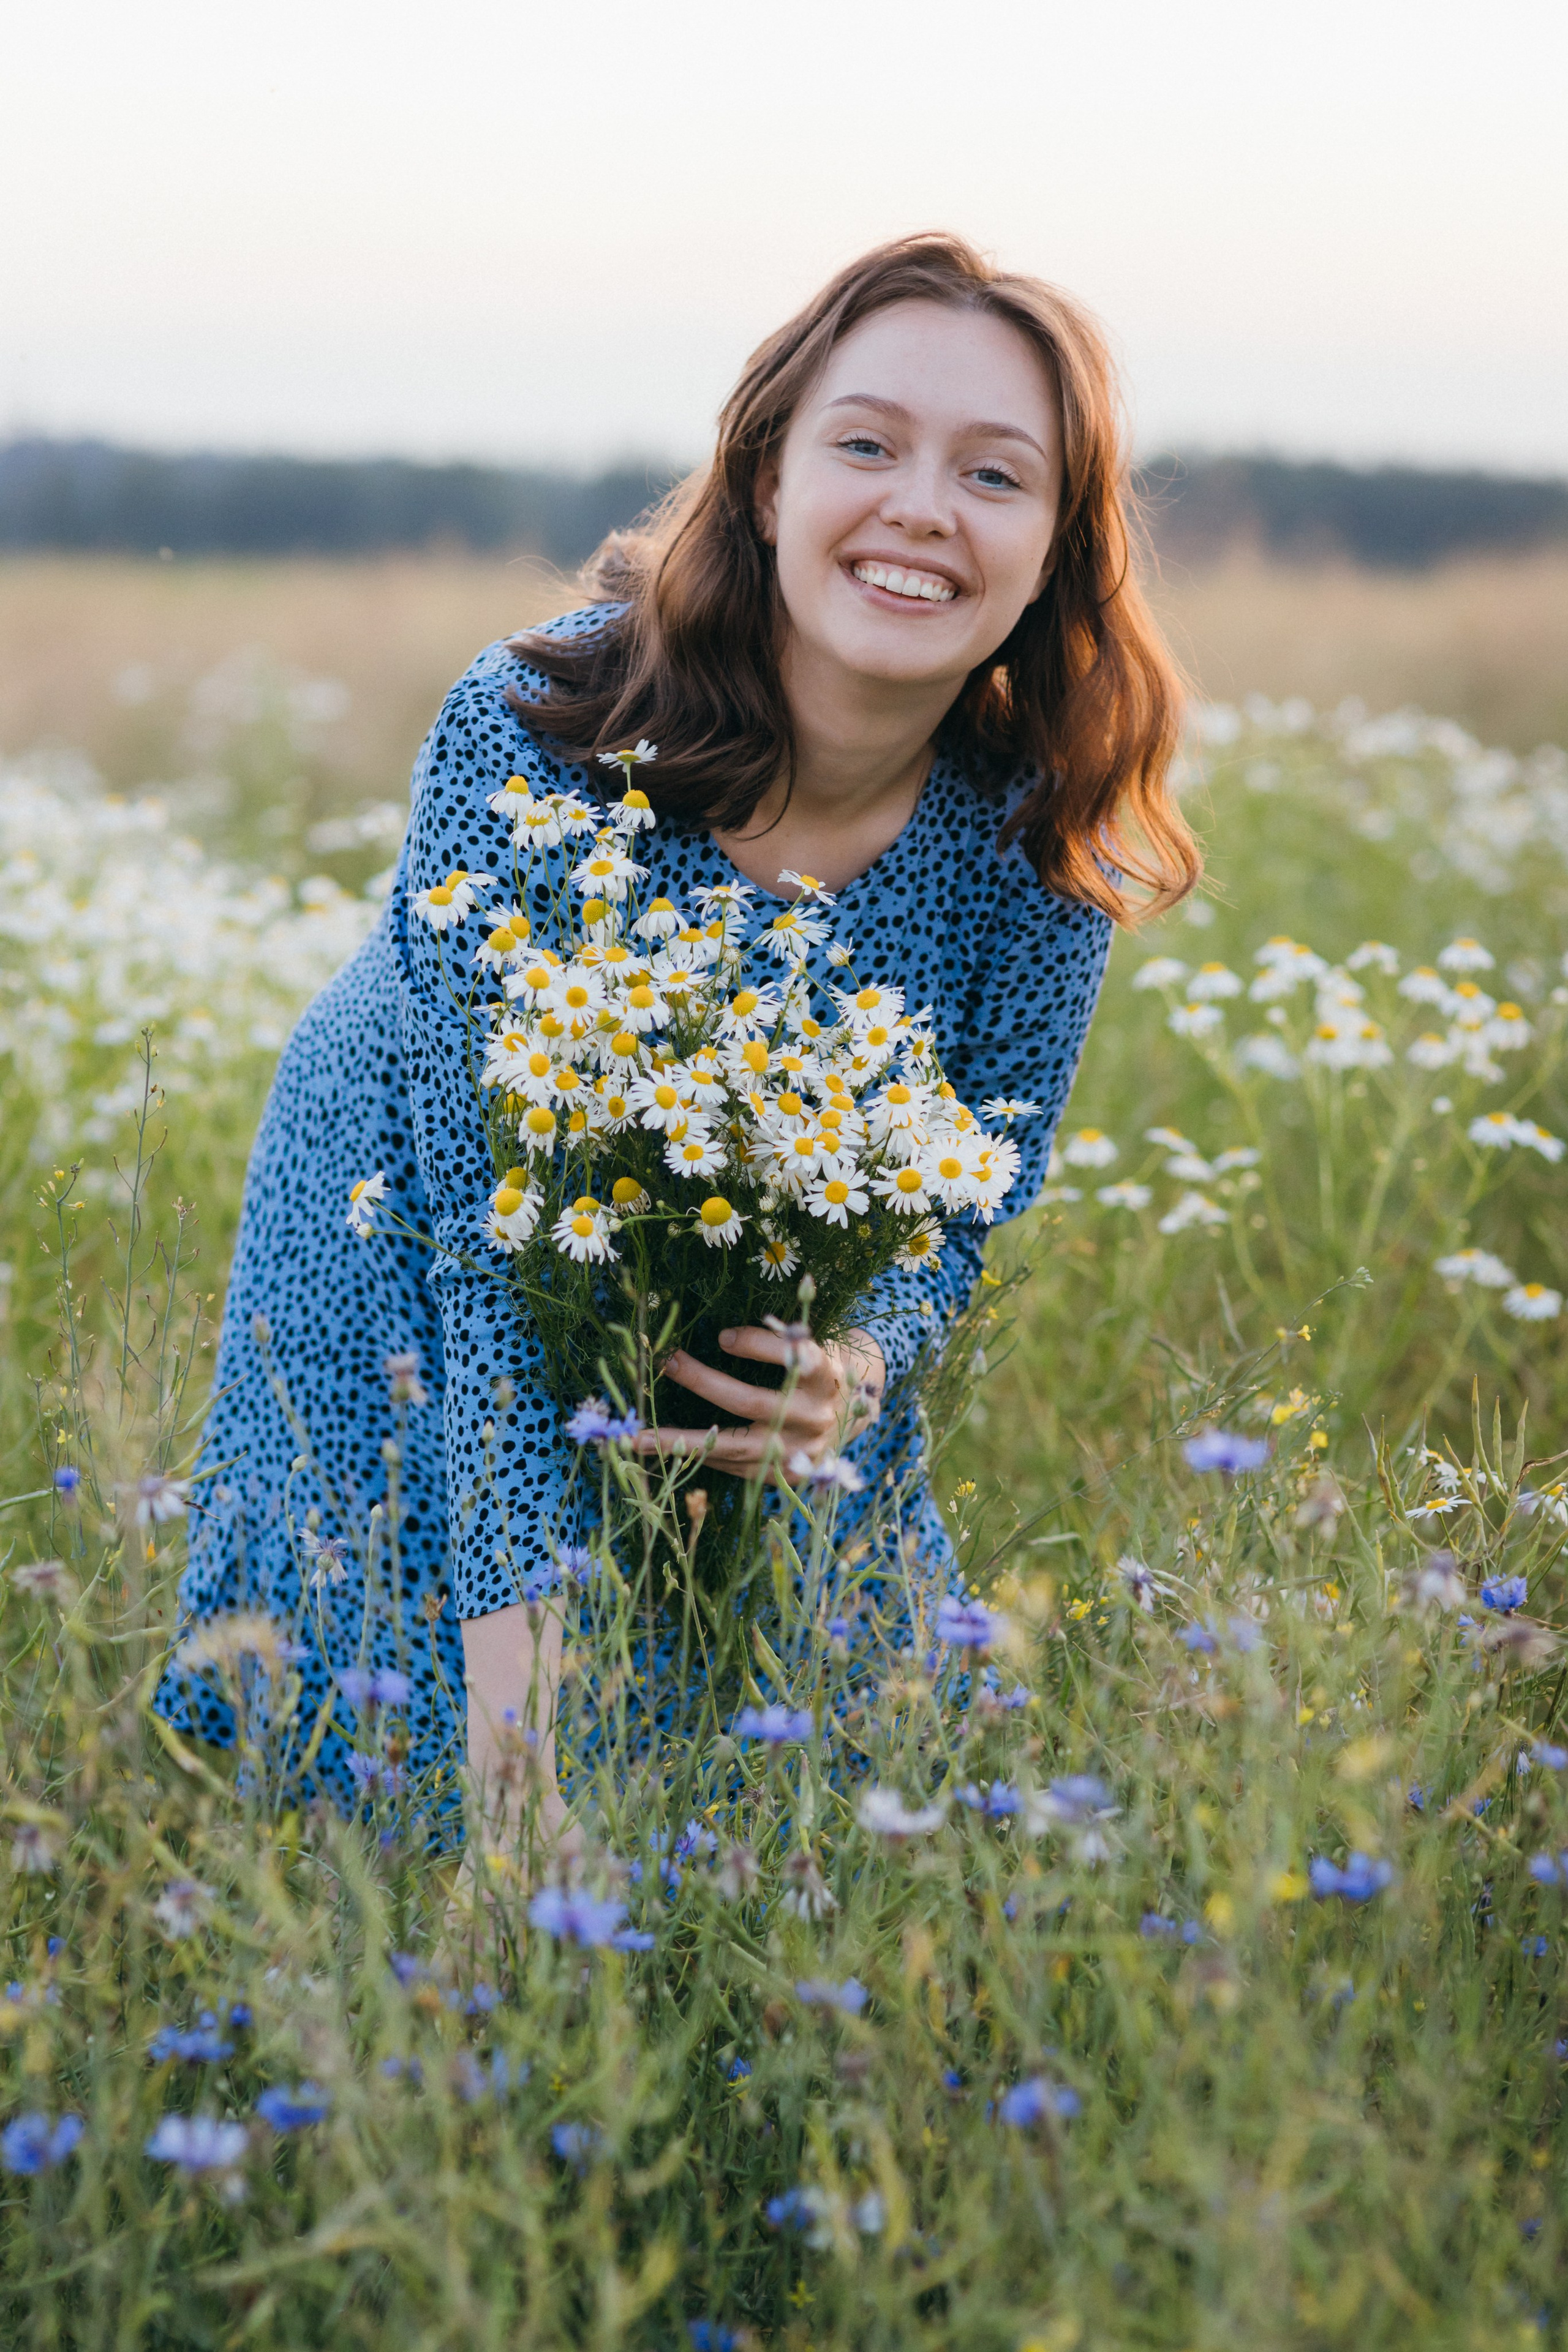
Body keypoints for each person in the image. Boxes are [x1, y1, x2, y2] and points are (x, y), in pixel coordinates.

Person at [154, 231, 1198, 1849]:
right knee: (409, 1754)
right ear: (770, 483)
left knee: (844, 1786)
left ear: (1055, 550)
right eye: (868, 444)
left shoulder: (1040, 858)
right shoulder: (536, 735)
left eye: (995, 474)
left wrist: (855, 1365)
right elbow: (495, 1269)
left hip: (739, 1263)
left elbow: (972, 1199)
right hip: (413, 1206)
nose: (922, 504)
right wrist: (520, 1750)